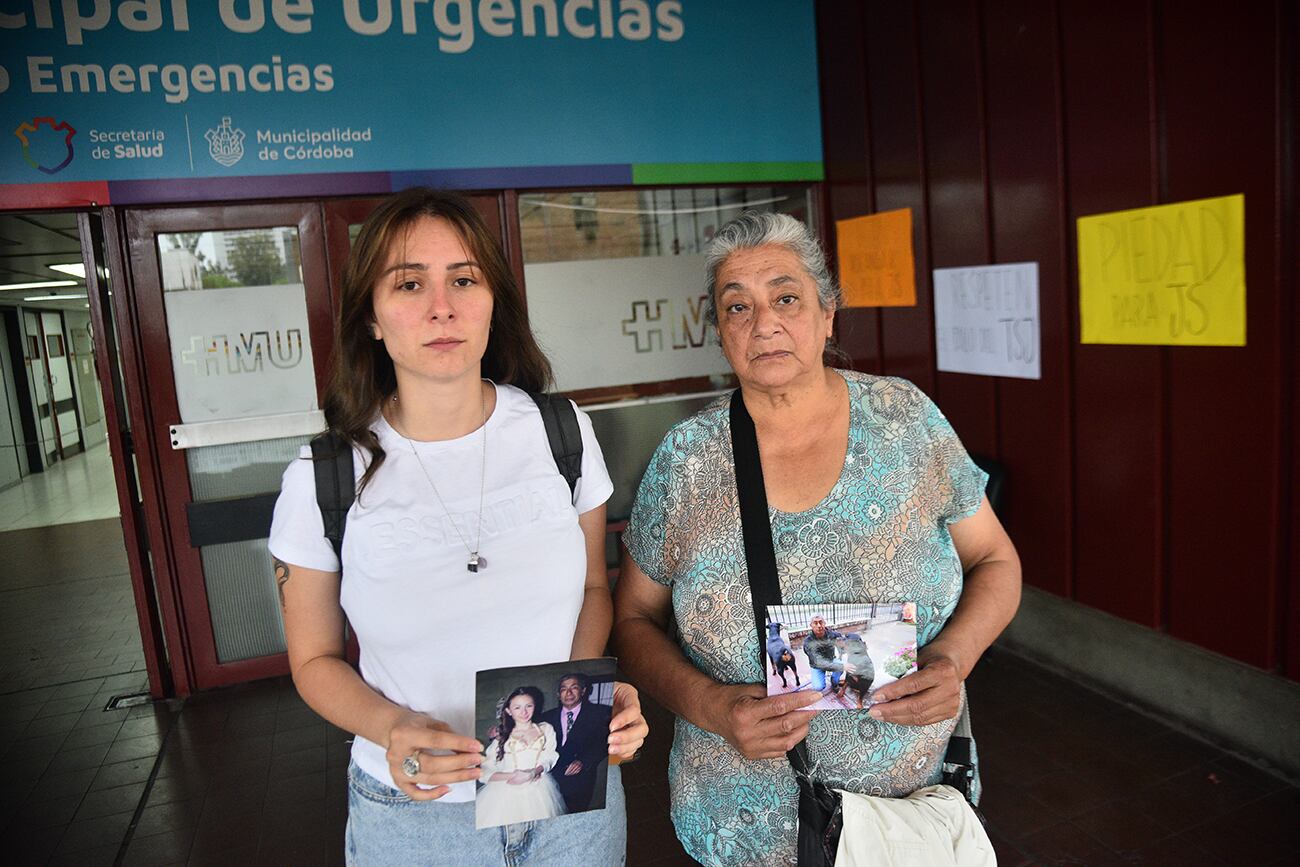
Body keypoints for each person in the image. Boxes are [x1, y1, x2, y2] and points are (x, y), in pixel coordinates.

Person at [613, 211, 1021, 866]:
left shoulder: (905, 419)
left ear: (828, 313)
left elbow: (996, 557)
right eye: (736, 305)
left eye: (786, 297)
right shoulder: (686, 460)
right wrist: (712, 705)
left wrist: (955, 659)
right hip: (741, 825)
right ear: (719, 330)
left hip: (901, 821)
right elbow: (631, 618)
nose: (763, 322)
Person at [268, 188, 648, 865]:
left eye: (463, 279)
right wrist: (389, 726)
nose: (441, 307)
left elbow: (595, 588)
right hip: (415, 820)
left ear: (492, 300)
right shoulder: (324, 476)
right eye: (410, 283)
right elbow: (313, 660)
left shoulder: (562, 433)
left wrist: (582, 702)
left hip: (567, 797)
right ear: (373, 319)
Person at [477, 687, 567, 828]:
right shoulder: (502, 736)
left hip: (539, 789)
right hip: (505, 792)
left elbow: (550, 756)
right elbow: (484, 772)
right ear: (508, 711)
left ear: (534, 707)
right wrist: (514, 775)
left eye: (528, 706)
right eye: (517, 707)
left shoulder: (546, 729)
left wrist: (533, 772)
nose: (524, 712)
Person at [539, 673, 614, 814]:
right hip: (551, 779)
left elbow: (605, 742)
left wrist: (583, 761)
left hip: (581, 779)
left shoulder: (600, 713)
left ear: (583, 691)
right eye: (563, 689)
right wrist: (499, 732)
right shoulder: (546, 717)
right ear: (558, 694)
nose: (568, 693)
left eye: (574, 687)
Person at [802, 614, 844, 693]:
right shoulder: (808, 642)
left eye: (821, 622)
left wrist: (842, 653)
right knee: (818, 687)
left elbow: (842, 643)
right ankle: (820, 678)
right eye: (815, 623)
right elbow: (818, 662)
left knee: (841, 665)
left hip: (831, 659)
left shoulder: (833, 635)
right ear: (811, 625)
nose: (819, 625)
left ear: (825, 623)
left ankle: (834, 683)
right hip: (817, 665)